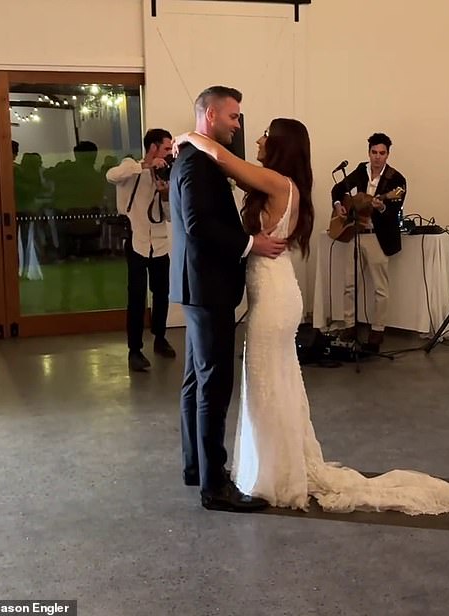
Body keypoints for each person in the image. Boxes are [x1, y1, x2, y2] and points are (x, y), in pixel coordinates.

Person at [174, 120, 449, 515]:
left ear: (280, 145)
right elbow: (229, 171)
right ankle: (275, 466)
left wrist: (192, 136)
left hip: (274, 298)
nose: (257, 138)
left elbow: (224, 160)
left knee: (267, 385)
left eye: (264, 134)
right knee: (271, 385)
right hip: (271, 293)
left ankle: (276, 474)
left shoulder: (278, 183)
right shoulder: (274, 183)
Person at [169, 86, 287, 512]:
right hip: (208, 287)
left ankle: (195, 467)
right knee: (213, 385)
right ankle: (214, 485)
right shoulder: (199, 165)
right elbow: (200, 225)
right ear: (212, 114)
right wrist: (249, 243)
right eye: (234, 117)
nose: (239, 125)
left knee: (195, 381)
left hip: (197, 285)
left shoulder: (197, 159)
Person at [107, 129, 177, 372]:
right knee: (136, 298)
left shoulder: (167, 175)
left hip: (159, 244)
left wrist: (166, 194)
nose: (170, 154)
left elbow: (169, 217)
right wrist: (146, 166)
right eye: (167, 149)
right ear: (153, 147)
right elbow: (111, 175)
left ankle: (160, 337)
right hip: (136, 242)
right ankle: (134, 350)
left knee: (162, 294)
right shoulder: (130, 166)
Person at [330, 133, 407, 352]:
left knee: (380, 287)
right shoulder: (360, 171)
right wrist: (338, 205)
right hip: (355, 233)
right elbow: (339, 189)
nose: (377, 157)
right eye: (374, 152)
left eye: (382, 153)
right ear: (369, 152)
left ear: (388, 154)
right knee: (349, 283)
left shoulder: (396, 180)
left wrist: (381, 206)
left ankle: (378, 330)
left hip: (377, 237)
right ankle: (349, 325)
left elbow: (394, 208)